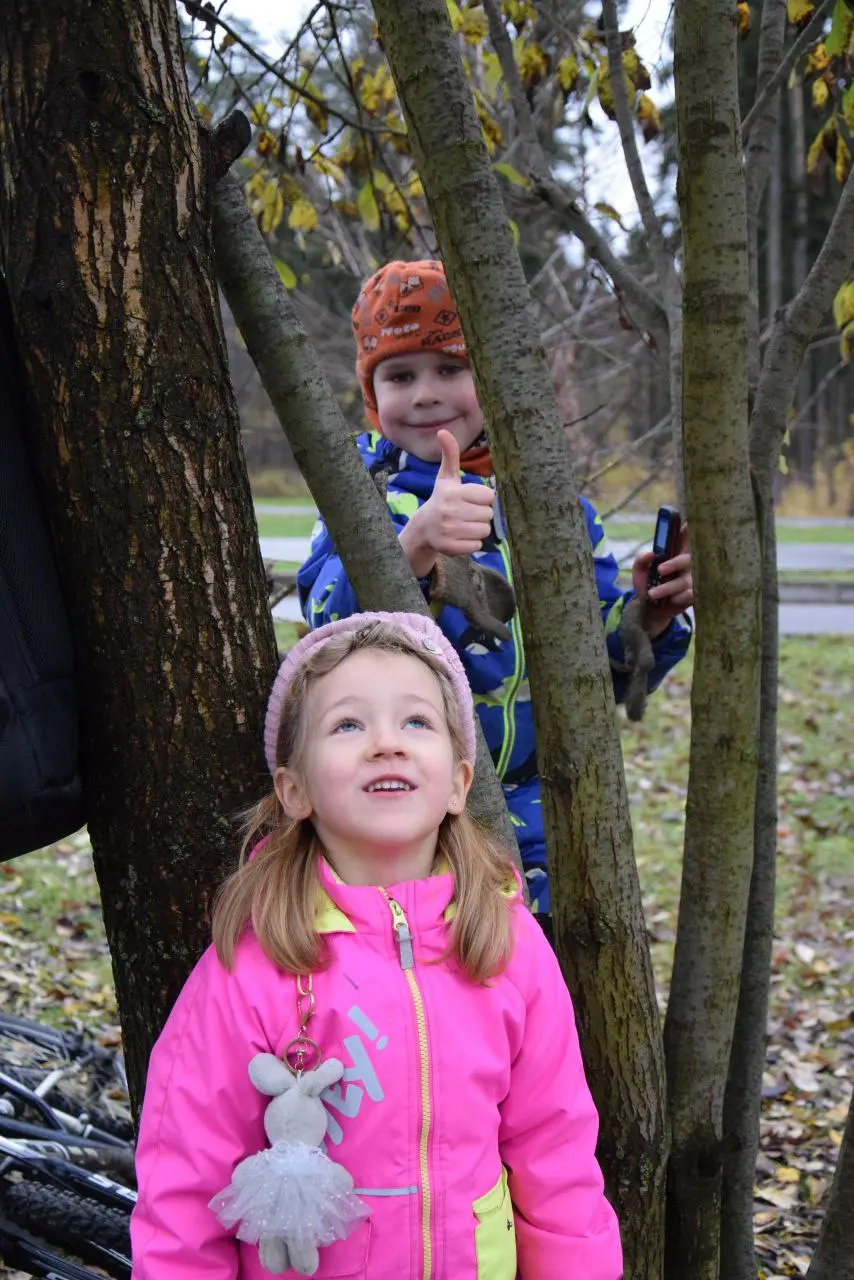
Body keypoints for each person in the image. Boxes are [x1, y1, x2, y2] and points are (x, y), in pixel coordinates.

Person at [130, 612, 623, 1279]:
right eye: (348, 725)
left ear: (457, 781)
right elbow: (183, 1187)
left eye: (416, 722)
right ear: (294, 790)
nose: (386, 744)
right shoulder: (253, 965)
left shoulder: (507, 945)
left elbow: (556, 1152)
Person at [298, 259, 693, 921]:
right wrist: (417, 543)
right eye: (399, 376)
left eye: (451, 369)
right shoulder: (358, 494)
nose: (425, 394)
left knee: (528, 994)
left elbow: (604, 677)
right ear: (372, 392)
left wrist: (648, 618)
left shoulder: (555, 506)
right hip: (407, 821)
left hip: (541, 823)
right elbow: (327, 631)